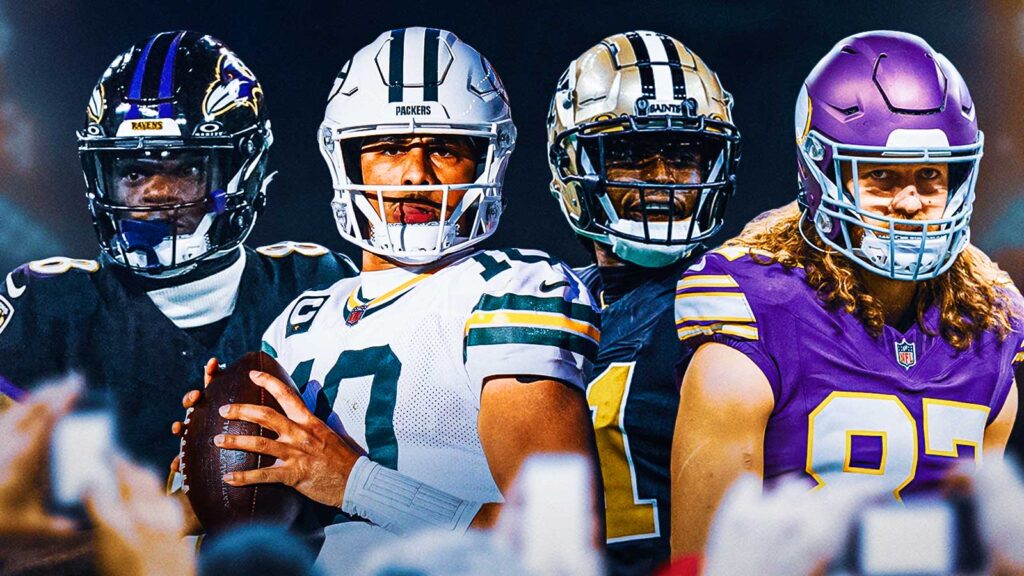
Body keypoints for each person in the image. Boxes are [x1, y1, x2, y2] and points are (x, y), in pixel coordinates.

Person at [185, 27, 601, 540]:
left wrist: (354, 483)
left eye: (444, 149)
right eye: (389, 148)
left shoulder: (508, 290)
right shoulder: (296, 325)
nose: (415, 175)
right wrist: (214, 467)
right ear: (346, 159)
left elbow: (559, 541)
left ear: (486, 161)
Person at [670, 30, 1022, 557]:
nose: (911, 202)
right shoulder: (758, 310)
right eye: (880, 175)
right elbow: (705, 561)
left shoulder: (990, 323)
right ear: (822, 173)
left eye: (931, 174)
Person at [0, 31, 357, 471]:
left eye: (185, 168)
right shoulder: (50, 305)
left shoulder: (314, 284)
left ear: (242, 172)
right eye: (134, 173)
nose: (155, 192)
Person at [546, 31, 739, 575]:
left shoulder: (734, 296)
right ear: (573, 164)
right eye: (629, 154)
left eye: (682, 155)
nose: (661, 179)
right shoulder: (542, 295)